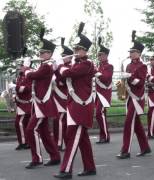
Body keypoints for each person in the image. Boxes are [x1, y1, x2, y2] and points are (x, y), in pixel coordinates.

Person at [54, 22, 96, 179]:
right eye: (75, 49)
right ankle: (90, 167)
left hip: (81, 105)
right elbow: (62, 78)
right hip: (74, 104)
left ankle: (66, 170)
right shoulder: (77, 63)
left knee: (72, 137)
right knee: (82, 139)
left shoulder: (87, 64)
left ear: (85, 51)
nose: (76, 52)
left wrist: (61, 66)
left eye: (79, 49)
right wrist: (57, 67)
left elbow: (68, 74)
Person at [24, 28, 60, 168]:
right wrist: (28, 70)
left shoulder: (47, 67)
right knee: (44, 132)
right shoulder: (43, 66)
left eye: (43, 52)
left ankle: (37, 158)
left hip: (43, 105)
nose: (40, 54)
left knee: (30, 130)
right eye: (40, 52)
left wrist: (27, 68)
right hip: (41, 105)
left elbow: (32, 76)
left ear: (50, 54)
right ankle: (55, 156)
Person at [116, 30, 151, 159]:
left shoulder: (142, 66)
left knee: (128, 123)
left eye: (133, 52)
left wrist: (129, 77)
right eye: (130, 52)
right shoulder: (128, 65)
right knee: (136, 125)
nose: (130, 54)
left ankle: (125, 150)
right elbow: (129, 81)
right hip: (130, 97)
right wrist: (123, 81)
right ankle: (145, 147)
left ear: (139, 53)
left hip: (137, 98)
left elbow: (140, 82)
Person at [52, 38, 73, 150]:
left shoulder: (70, 67)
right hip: (57, 95)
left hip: (64, 95)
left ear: (69, 57)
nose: (62, 58)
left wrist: (58, 70)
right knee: (59, 121)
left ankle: (59, 143)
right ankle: (60, 142)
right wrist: (54, 69)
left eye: (64, 56)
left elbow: (64, 80)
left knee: (60, 121)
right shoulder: (62, 66)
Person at [95, 37, 113, 144]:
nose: (99, 57)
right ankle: (103, 135)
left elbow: (106, 78)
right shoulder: (99, 66)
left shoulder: (109, 66)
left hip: (104, 94)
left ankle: (105, 136)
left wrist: (95, 72)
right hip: (98, 94)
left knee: (99, 114)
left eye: (101, 55)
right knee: (100, 115)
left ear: (106, 55)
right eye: (98, 55)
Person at [14, 49, 32, 150]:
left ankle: (24, 142)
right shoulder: (20, 76)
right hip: (21, 104)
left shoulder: (29, 75)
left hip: (26, 104)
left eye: (21, 66)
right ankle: (26, 142)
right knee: (23, 123)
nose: (19, 68)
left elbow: (26, 88)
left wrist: (15, 88)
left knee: (19, 123)